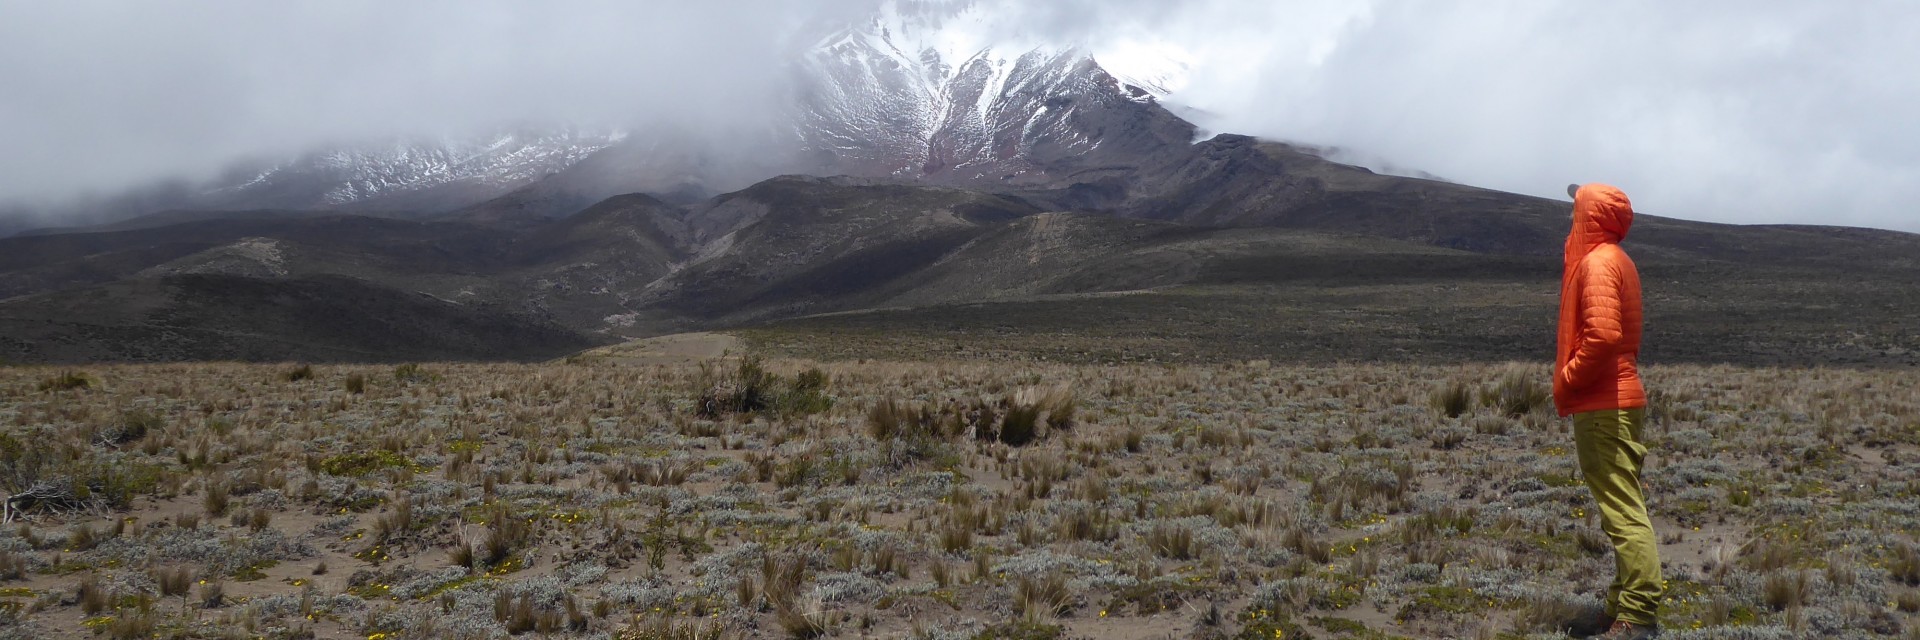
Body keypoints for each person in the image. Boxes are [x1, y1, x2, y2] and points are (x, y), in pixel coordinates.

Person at [1556, 183, 1660, 639]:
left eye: (1577, 211)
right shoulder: (1617, 259)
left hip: (1604, 403)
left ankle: (1636, 616)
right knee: (1621, 504)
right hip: (1617, 398)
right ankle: (1620, 606)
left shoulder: (1598, 263)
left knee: (1622, 510)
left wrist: (1568, 379)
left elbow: (1602, 336)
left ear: (1590, 217)